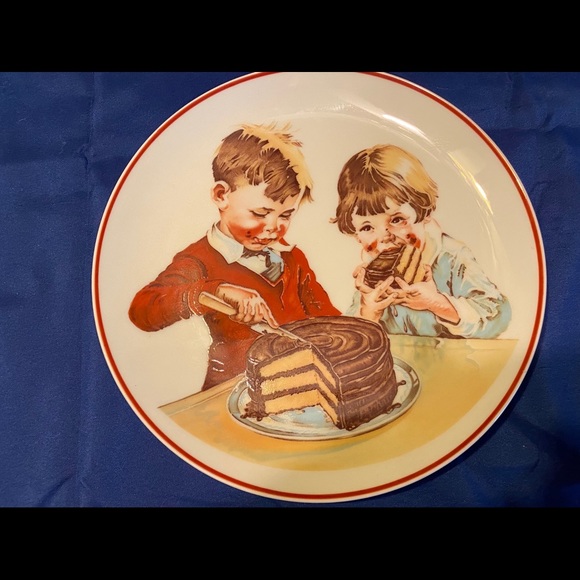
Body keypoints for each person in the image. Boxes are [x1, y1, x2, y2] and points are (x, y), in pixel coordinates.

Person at [129, 122, 340, 391]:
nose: (274, 228)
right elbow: (143, 310)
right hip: (234, 391)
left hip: (302, 383)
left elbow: (328, 321)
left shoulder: (292, 257)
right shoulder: (199, 261)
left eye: (286, 215)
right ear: (221, 196)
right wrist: (214, 292)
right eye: (260, 213)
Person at [331, 144, 511, 339]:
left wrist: (436, 303)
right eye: (367, 228)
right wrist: (367, 314)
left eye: (396, 220)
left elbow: (497, 316)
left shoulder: (452, 258)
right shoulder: (371, 276)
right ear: (355, 233)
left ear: (424, 212)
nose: (385, 237)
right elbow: (347, 339)